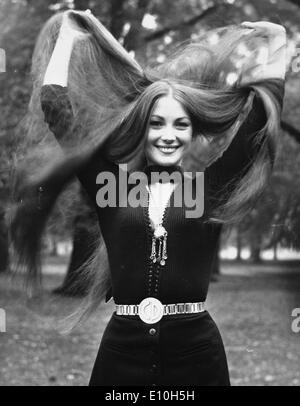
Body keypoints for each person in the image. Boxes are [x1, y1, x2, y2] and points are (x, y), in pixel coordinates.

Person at [10, 10, 286, 386]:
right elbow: (57, 108)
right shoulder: (115, 189)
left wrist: (278, 45)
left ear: (192, 132)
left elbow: (257, 123)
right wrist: (68, 37)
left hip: (196, 355)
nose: (167, 135)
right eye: (156, 123)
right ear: (143, 127)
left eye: (180, 124)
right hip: (122, 353)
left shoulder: (203, 191)